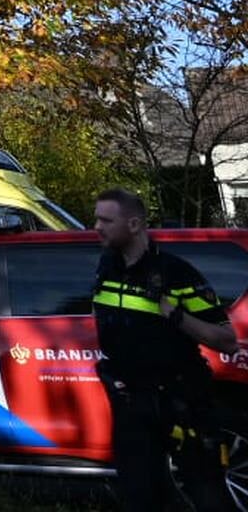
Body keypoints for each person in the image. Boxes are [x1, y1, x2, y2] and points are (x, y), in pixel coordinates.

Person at [93, 188, 240, 512]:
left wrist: (174, 314)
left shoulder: (177, 274)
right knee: (140, 496)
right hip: (132, 404)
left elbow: (226, 339)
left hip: (182, 399)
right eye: (96, 218)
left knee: (207, 493)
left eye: (106, 220)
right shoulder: (106, 268)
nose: (97, 226)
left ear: (133, 224)